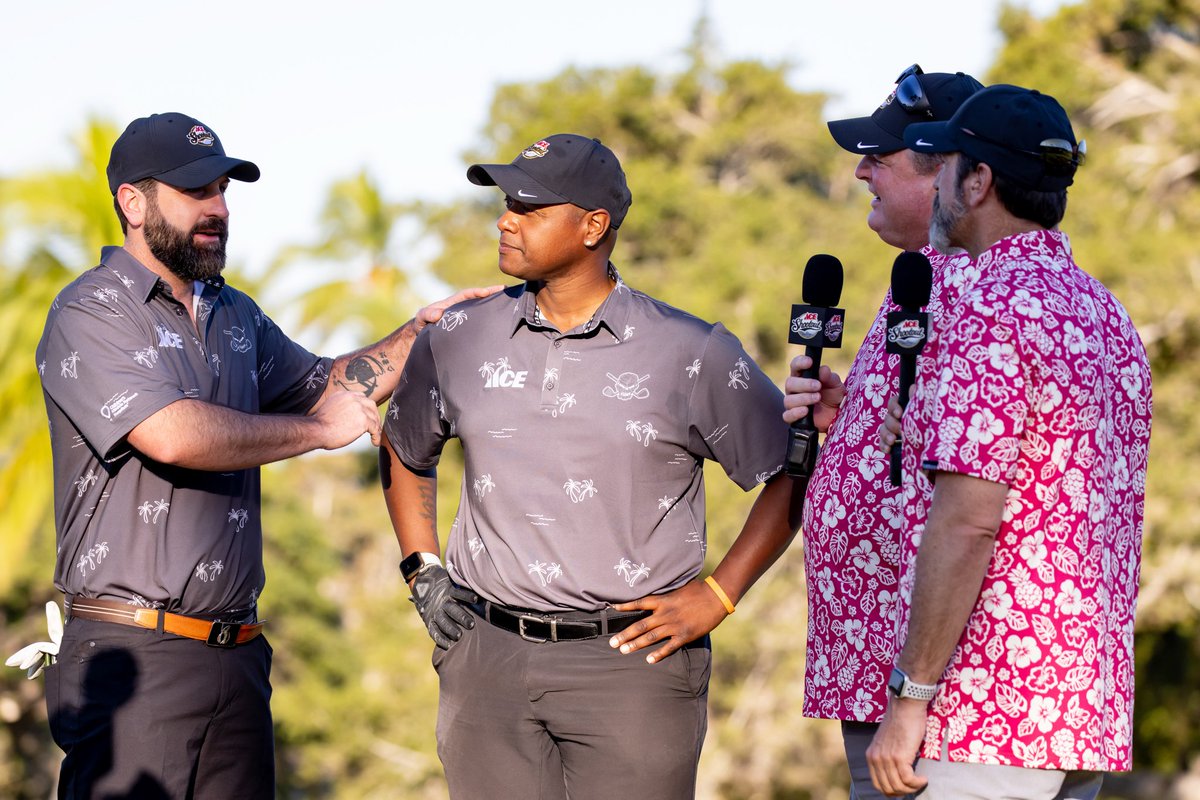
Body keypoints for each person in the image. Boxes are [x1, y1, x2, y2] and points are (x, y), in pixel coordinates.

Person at [28, 112, 496, 799]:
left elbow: (326, 387)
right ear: (133, 202)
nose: (218, 209)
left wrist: (420, 334)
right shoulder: (90, 311)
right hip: (133, 658)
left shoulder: (234, 315)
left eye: (222, 189)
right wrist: (317, 434)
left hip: (238, 656)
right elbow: (172, 433)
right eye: (196, 193)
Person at [379, 133, 803, 799]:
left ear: (593, 226)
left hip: (633, 666)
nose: (505, 220)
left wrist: (719, 597)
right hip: (486, 656)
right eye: (505, 203)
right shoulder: (457, 337)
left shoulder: (690, 351)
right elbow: (403, 446)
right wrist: (421, 569)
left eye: (529, 207)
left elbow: (793, 470)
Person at [867, 85, 1152, 799]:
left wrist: (909, 700)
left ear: (979, 180)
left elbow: (969, 518)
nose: (935, 187)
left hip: (986, 716)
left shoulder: (993, 307)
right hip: (1079, 711)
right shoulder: (1103, 309)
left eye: (946, 166)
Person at [781, 64, 982, 800]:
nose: (861, 170)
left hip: (939, 705)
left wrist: (915, 695)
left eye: (881, 156)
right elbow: (923, 449)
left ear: (951, 174)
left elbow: (973, 510)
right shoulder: (920, 280)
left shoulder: (974, 291)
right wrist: (850, 422)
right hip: (882, 680)